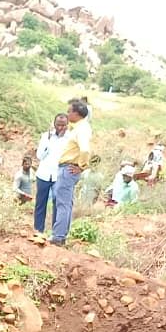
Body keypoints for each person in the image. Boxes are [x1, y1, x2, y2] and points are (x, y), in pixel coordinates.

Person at [51, 98, 93, 247]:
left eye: (69, 111)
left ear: (77, 113)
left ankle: (58, 237)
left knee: (62, 204)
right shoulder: (81, 128)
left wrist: (81, 166)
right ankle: (60, 235)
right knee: (65, 203)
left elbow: (85, 149)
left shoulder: (82, 129)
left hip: (68, 168)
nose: (67, 115)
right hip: (68, 169)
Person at [32, 113, 69, 235]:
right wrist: (48, 141)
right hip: (43, 174)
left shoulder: (69, 139)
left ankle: (55, 232)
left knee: (57, 204)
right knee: (40, 203)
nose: (60, 128)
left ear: (67, 125)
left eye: (63, 125)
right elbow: (39, 156)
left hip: (59, 176)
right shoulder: (45, 136)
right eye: (58, 125)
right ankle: (38, 230)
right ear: (54, 124)